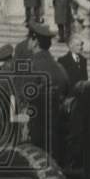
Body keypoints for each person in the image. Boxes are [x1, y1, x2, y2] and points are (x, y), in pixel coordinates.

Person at [23, 21, 71, 162]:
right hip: (58, 131)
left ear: (35, 41)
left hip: (37, 132)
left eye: (29, 38)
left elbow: (25, 100)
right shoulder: (60, 68)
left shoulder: (31, 67)